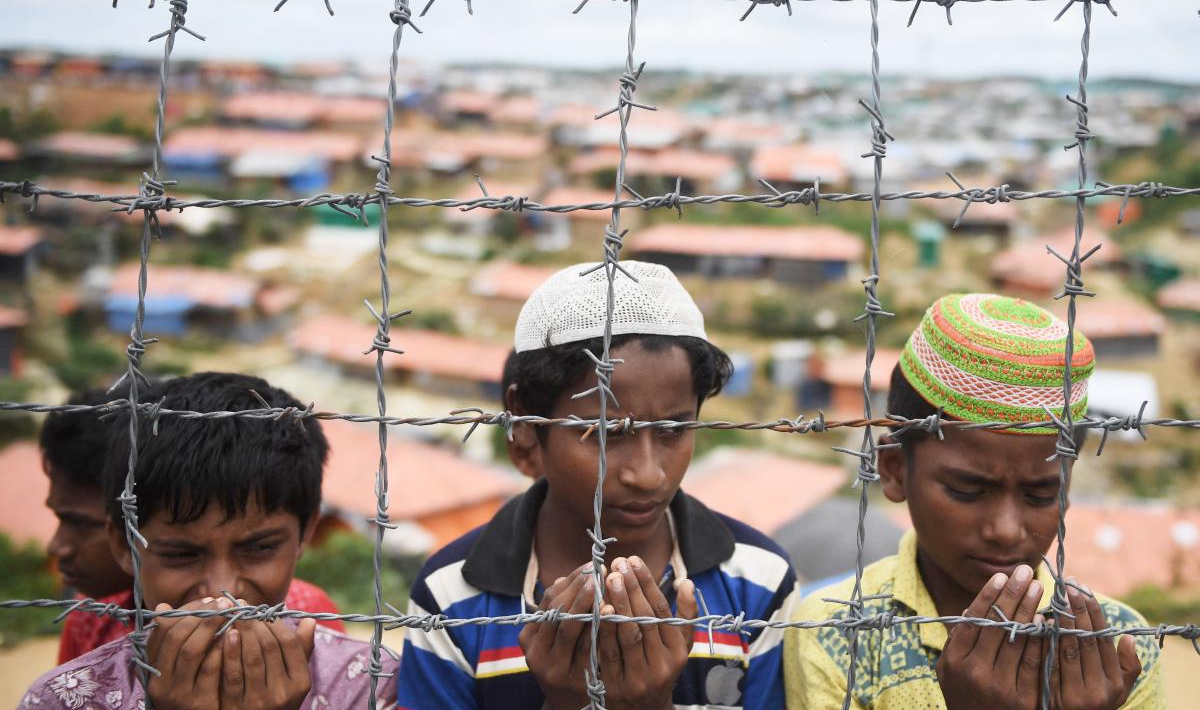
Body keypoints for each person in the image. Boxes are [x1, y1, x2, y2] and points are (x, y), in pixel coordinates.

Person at [397, 261, 798, 709]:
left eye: (672, 429)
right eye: (605, 433)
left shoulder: (758, 583)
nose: (648, 474)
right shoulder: (452, 597)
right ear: (526, 420)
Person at [783, 293, 1164, 709]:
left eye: (1041, 494)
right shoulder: (839, 632)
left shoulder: (1114, 648)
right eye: (967, 491)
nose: (1005, 529)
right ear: (894, 470)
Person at [22, 372, 397, 708]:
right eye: (181, 554)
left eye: (260, 548)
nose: (222, 592)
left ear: (306, 533)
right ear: (122, 545)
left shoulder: (372, 687)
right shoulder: (68, 697)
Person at [39, 384, 345, 666]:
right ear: (120, 536)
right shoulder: (91, 618)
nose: (220, 594)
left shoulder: (302, 620)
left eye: (81, 523)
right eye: (179, 553)